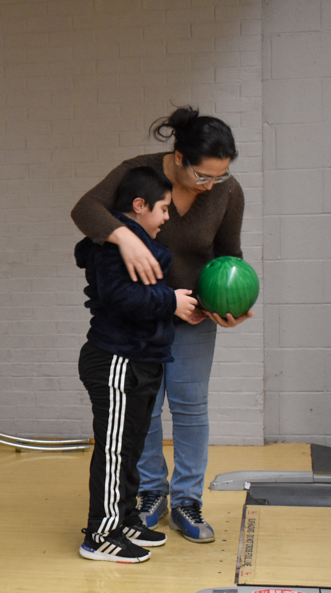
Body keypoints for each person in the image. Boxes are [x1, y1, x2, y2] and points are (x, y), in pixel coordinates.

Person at [71, 107, 252, 544]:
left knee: (190, 407)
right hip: (142, 314)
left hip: (192, 311)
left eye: (220, 176)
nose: (211, 185)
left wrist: (231, 303)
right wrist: (125, 237)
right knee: (144, 409)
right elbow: (85, 210)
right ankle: (151, 494)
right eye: (203, 176)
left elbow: (229, 256)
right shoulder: (138, 173)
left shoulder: (227, 193)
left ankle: (187, 500)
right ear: (178, 156)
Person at [75, 166, 198, 563]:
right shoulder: (112, 247)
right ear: (139, 206)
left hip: (141, 361)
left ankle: (126, 517)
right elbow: (119, 299)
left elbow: (141, 301)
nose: (166, 217)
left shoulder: (141, 247)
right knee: (113, 451)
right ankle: (102, 534)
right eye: (163, 208)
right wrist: (169, 302)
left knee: (129, 448)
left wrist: (175, 306)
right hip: (116, 362)